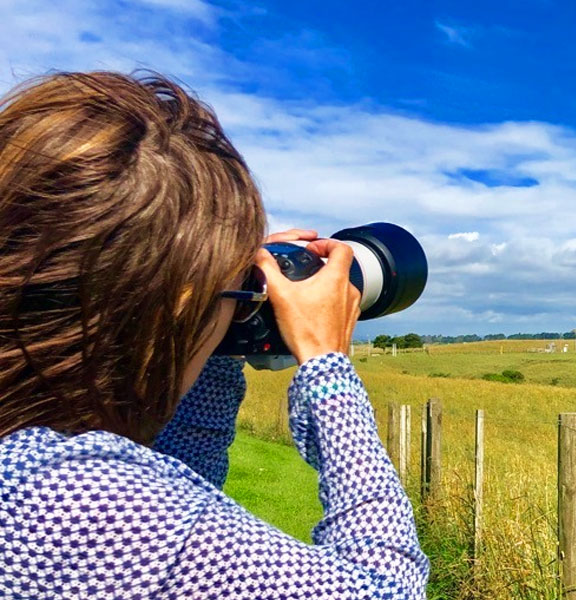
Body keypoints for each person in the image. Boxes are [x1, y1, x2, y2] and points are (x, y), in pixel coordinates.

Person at [0, 72, 428, 598]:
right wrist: (327, 368)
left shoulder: (35, 465)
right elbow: (387, 588)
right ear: (179, 305)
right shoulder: (81, 506)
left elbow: (179, 482)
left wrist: (227, 331)